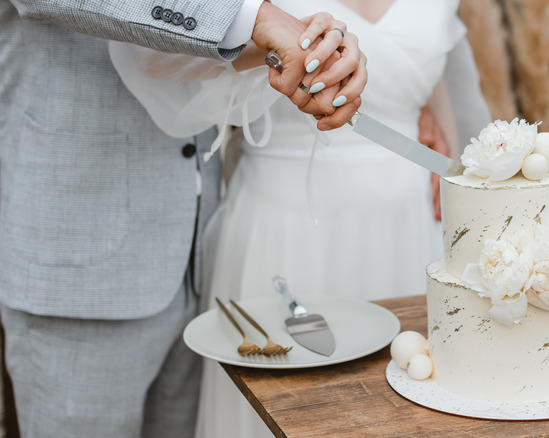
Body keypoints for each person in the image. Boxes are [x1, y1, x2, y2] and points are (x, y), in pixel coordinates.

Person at [111, 0, 491, 436]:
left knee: (410, 400)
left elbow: (431, 65)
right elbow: (158, 56)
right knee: (289, 401)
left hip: (411, 225)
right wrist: (272, 42)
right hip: (287, 223)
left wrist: (442, 142)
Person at [0, 0, 368, 435]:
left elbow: (176, 61)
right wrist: (256, 18)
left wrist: (307, 49)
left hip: (195, 261)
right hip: (80, 264)